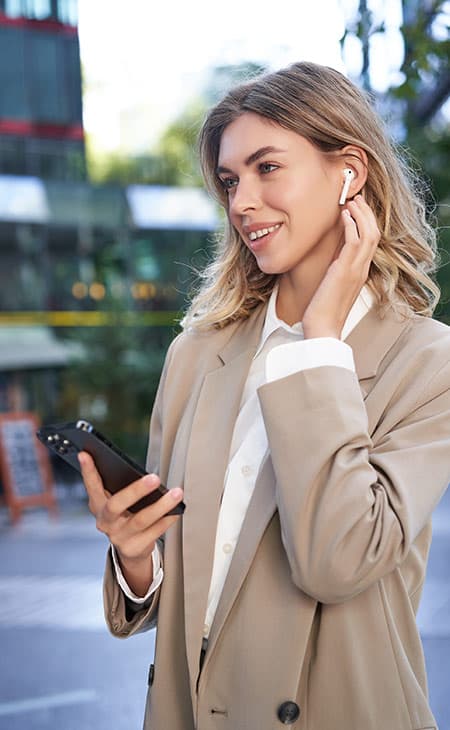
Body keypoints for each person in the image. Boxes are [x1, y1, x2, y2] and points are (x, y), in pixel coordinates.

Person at [79, 61, 450, 729]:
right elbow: (174, 583)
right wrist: (135, 555)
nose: (241, 200)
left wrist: (321, 343)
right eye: (229, 180)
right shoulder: (197, 354)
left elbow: (337, 562)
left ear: (350, 173)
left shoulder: (427, 361)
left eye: (266, 168)